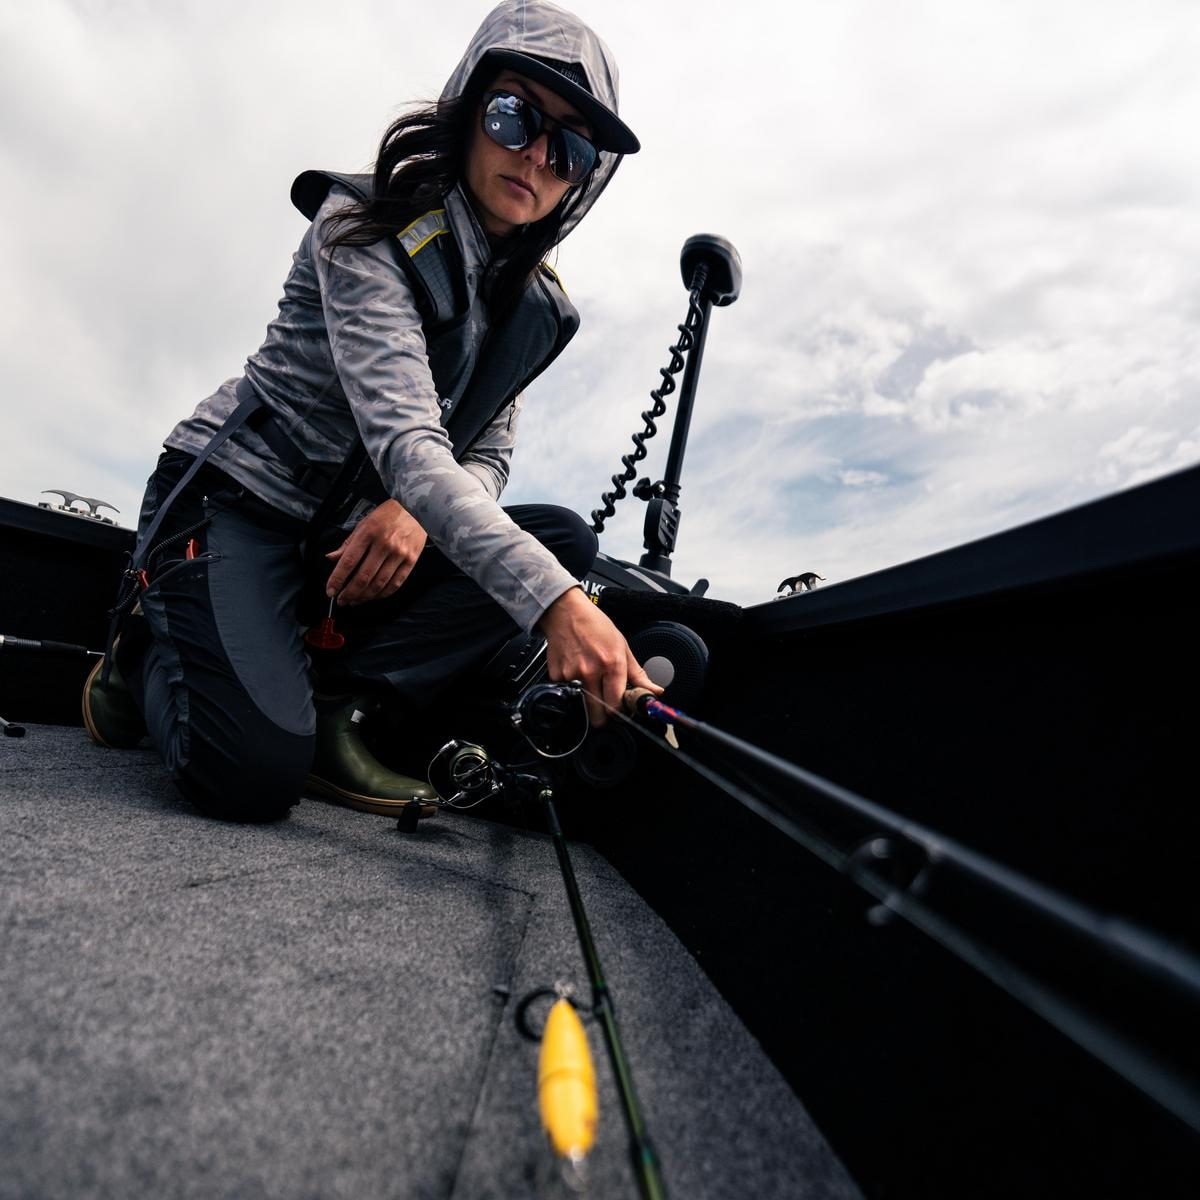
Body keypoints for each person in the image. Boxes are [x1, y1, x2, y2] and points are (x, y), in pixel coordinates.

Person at [82, 0, 660, 822]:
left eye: (568, 148)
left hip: (349, 529)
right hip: (238, 500)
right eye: (515, 116)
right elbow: (408, 442)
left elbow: (488, 455)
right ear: (467, 108)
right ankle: (143, 642)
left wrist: (410, 513)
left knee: (563, 537)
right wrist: (557, 603)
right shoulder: (360, 229)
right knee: (247, 775)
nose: (536, 155)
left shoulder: (529, 306)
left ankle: (337, 709)